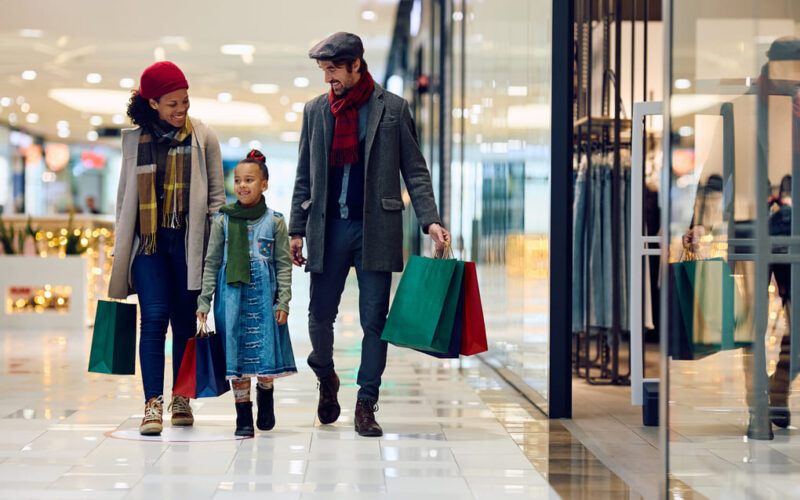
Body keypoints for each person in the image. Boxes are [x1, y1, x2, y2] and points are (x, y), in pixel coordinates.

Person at [289, 32, 451, 437]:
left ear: (356, 65)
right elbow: (304, 175)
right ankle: (325, 375)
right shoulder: (316, 112)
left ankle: (366, 401)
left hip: (375, 228)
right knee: (318, 316)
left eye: (333, 70)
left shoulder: (392, 109)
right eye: (323, 71)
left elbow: (415, 169)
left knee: (374, 320)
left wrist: (429, 219)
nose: (328, 79)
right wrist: (295, 229)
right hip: (328, 228)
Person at [108, 61, 226, 435]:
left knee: (184, 323)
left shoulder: (203, 137)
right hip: (148, 243)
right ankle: (152, 405)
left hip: (188, 244)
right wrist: (119, 247)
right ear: (152, 102)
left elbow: (217, 201)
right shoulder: (133, 140)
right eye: (172, 104)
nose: (181, 110)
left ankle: (181, 398)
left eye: (185, 102)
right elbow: (125, 198)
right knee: (154, 318)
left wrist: (216, 250)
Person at [196, 150, 296, 437]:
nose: (242, 185)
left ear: (264, 184)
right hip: (230, 300)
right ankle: (242, 417)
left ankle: (266, 395)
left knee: (264, 353)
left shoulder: (275, 221)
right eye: (238, 180)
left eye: (249, 180)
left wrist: (284, 301)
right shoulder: (223, 221)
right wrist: (204, 300)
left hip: (265, 300)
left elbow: (283, 265)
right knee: (236, 356)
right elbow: (212, 262)